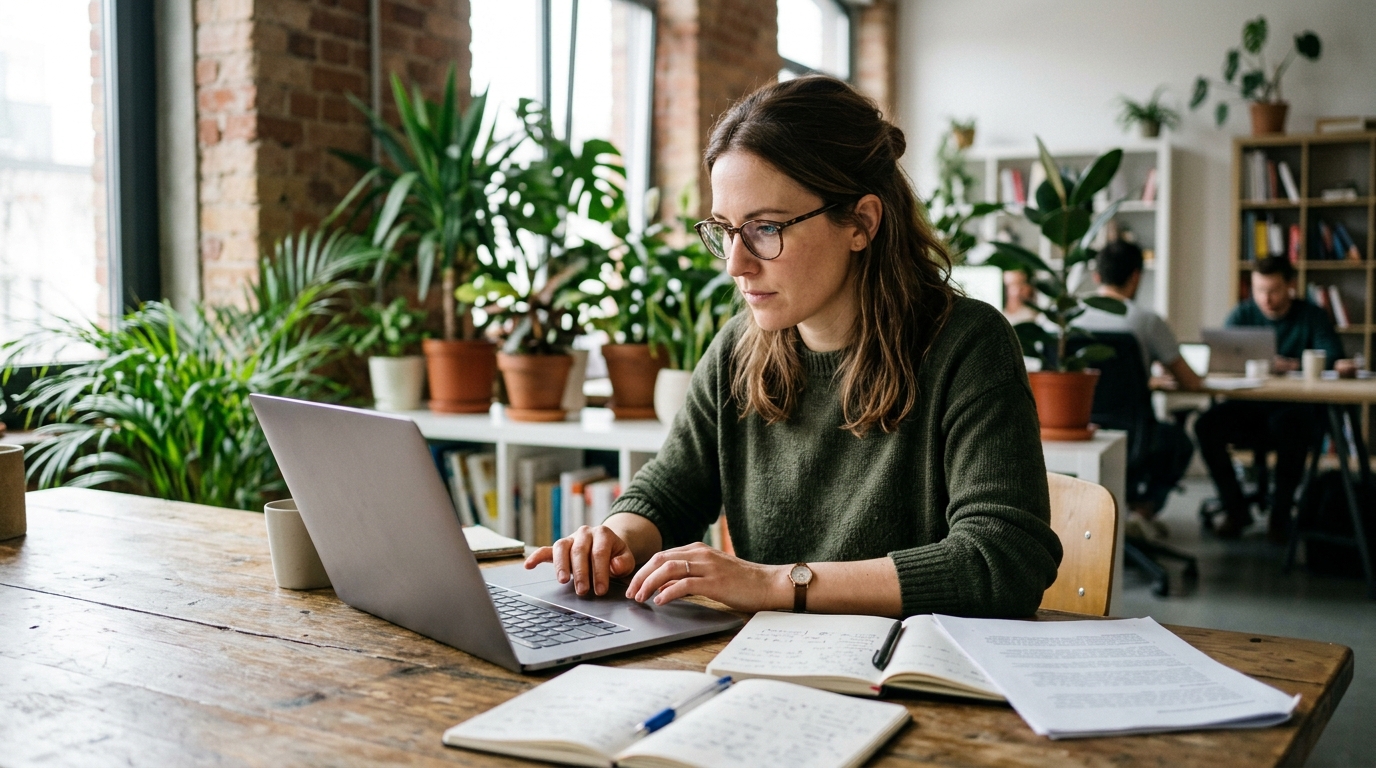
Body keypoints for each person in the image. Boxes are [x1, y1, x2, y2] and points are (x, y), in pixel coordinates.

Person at [524, 76, 1062, 619]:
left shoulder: (968, 345)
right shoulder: (738, 349)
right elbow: (666, 495)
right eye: (725, 229)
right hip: (771, 670)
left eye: (765, 228)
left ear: (861, 222)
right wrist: (614, 540)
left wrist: (775, 584)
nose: (736, 263)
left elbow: (1003, 561)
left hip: (915, 674)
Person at [1194, 256, 1343, 540]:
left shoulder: (1311, 315)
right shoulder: (1242, 314)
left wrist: (1293, 365)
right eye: (1259, 290)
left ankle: (1281, 514)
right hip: (1248, 406)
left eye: (1273, 290)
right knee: (1205, 426)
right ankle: (1235, 508)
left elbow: (1333, 354)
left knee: (1293, 427)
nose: (1266, 298)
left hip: (1292, 408)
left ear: (1290, 286)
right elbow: (1221, 359)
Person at [1076, 241, 1201, 532]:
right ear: (1136, 276)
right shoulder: (1146, 321)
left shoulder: (1069, 319)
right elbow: (1190, 382)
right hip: (1133, 435)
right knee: (1179, 443)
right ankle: (1143, 510)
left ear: (1097, 277)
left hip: (1081, 430)